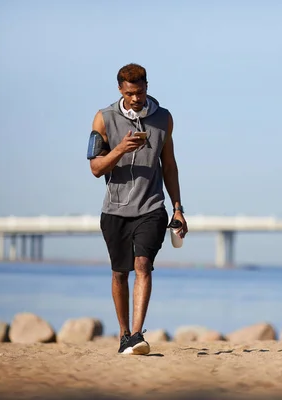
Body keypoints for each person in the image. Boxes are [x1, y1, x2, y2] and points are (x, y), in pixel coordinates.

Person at [87, 63, 188, 355]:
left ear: (147, 87)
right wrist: (120, 149)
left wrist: (178, 208)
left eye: (140, 92)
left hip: (151, 206)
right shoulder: (103, 119)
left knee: (142, 265)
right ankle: (123, 336)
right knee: (120, 273)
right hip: (115, 209)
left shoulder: (163, 118)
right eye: (130, 93)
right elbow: (95, 168)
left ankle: (136, 334)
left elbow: (168, 166)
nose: (136, 98)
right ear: (120, 89)